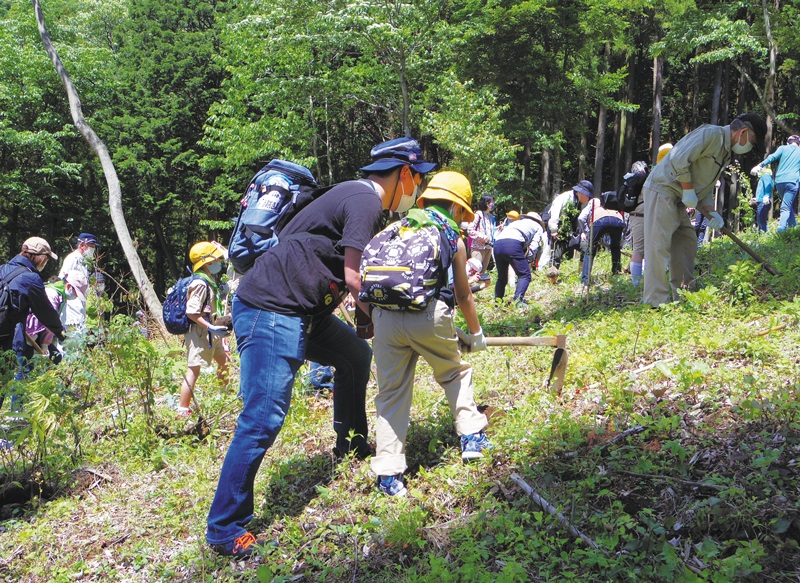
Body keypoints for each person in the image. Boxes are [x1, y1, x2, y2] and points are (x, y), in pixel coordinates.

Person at [206, 137, 436, 557]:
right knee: (263, 416)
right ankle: (225, 527)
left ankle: (350, 443)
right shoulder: (364, 198)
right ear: (403, 172)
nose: (417, 188)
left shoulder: (351, 196)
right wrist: (386, 318)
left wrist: (365, 320)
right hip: (272, 310)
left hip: (302, 312)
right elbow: (354, 276)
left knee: (354, 356)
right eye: (417, 178)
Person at [369, 171, 489, 497]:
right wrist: (475, 334)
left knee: (391, 394)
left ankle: (389, 475)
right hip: (427, 315)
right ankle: (471, 436)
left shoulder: (394, 228)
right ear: (456, 208)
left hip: (385, 319)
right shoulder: (451, 236)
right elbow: (463, 296)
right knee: (455, 373)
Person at [642, 113, 767, 307]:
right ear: (743, 132)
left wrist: (711, 212)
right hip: (663, 189)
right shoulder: (711, 135)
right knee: (658, 246)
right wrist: (688, 190)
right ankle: (655, 302)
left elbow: (704, 187)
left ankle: (685, 296)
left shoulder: (725, 151)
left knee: (686, 243)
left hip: (680, 197)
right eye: (752, 141)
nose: (749, 147)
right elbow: (678, 159)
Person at [0, 238, 66, 408]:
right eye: (46, 257)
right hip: (7, 340)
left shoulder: (3, 269)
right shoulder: (31, 278)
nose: (46, 262)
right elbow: (45, 312)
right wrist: (61, 333)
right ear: (38, 256)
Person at [176, 241, 231, 417]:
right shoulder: (200, 283)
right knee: (194, 370)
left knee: (223, 361)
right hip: (200, 333)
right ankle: (182, 409)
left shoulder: (208, 280)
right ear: (207, 262)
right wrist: (211, 327)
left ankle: (224, 397)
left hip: (211, 333)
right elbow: (191, 312)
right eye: (216, 259)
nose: (218, 263)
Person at [14, 270, 88, 378]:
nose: (76, 296)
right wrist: (44, 345)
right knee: (25, 368)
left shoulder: (60, 294)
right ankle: (16, 394)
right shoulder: (52, 294)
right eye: (76, 292)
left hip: (38, 333)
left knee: (56, 358)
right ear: (68, 286)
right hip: (30, 334)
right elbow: (48, 321)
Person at [494, 212, 549, 303]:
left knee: (501, 277)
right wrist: (529, 258)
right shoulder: (538, 226)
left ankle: (497, 302)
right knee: (525, 275)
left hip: (498, 244)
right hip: (513, 244)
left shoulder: (516, 223)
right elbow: (534, 245)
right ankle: (518, 301)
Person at [751, 134, 800, 232]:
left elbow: (772, 157)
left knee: (787, 205)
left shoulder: (783, 148)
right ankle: (780, 231)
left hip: (780, 182)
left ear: (788, 143)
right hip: (792, 181)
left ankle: (794, 228)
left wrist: (760, 165)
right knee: (786, 207)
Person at [625, 156, 660, 287]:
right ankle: (638, 283)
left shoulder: (632, 183)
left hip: (636, 217)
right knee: (642, 250)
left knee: (639, 250)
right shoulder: (646, 183)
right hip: (644, 217)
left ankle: (637, 282)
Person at [547, 180, 593, 269]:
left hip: (575, 232)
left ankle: (582, 273)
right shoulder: (564, 198)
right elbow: (555, 214)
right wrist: (554, 230)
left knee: (585, 248)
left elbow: (583, 218)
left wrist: (583, 232)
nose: (588, 199)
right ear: (581, 193)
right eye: (587, 196)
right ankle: (552, 277)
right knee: (556, 255)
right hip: (559, 230)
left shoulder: (584, 204)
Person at [577, 198, 625, 285]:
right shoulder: (613, 202)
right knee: (615, 248)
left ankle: (585, 280)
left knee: (590, 251)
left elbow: (581, 218)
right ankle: (616, 273)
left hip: (600, 220)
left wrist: (587, 232)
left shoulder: (594, 201)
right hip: (618, 220)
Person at [58, 233, 99, 331]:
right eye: (91, 246)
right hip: (70, 306)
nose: (93, 249)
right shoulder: (73, 258)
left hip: (80, 305)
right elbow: (62, 279)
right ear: (82, 245)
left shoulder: (84, 261)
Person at [467, 195, 496, 276]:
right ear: (486, 203)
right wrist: (482, 236)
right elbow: (470, 230)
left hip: (488, 247)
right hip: (478, 247)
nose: (493, 204)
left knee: (482, 273)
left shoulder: (490, 217)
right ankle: (471, 287)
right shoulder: (478, 215)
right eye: (491, 202)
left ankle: (481, 287)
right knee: (475, 271)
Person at [753, 167, 773, 232]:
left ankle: (762, 237)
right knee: (760, 221)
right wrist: (757, 198)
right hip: (761, 201)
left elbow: (768, 186)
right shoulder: (764, 177)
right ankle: (762, 236)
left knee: (761, 222)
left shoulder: (766, 176)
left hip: (763, 203)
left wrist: (767, 195)